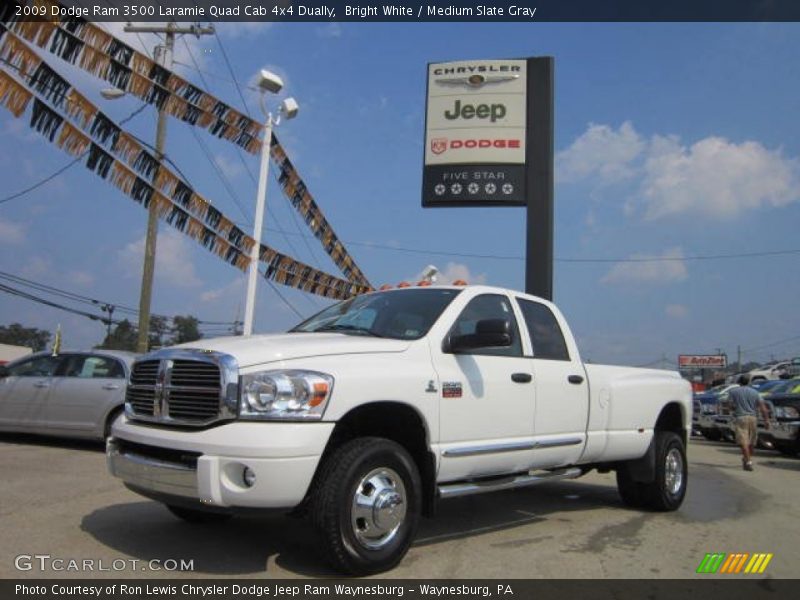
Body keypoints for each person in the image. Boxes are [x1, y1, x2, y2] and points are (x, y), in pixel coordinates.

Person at [728, 375, 771, 471]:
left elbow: (730, 406)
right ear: (748, 382)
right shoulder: (755, 392)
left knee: (743, 441)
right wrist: (766, 420)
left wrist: (735, 408)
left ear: (739, 382)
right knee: (752, 441)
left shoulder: (733, 392)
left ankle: (748, 461)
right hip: (753, 418)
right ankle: (747, 458)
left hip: (740, 417)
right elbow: (763, 408)